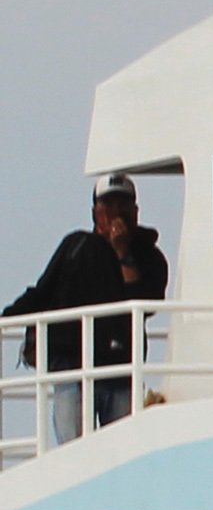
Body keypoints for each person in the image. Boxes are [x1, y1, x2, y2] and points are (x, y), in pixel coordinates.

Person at [7, 178, 170, 436]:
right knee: (74, 449)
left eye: (123, 206)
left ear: (135, 211)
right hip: (73, 369)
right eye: (109, 205)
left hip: (121, 370)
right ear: (95, 212)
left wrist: (122, 253)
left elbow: (144, 303)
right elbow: (42, 292)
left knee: (122, 449)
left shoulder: (149, 256)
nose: (116, 213)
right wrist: (9, 318)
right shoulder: (76, 246)